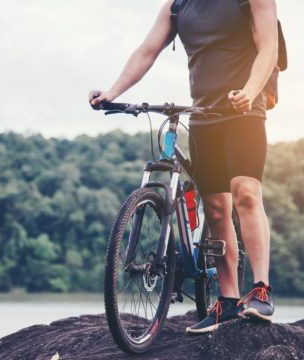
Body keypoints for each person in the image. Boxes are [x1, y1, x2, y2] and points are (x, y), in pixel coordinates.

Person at [89, 0, 278, 334]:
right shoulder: (178, 5)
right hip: (203, 115)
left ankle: (261, 289)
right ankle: (228, 302)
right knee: (216, 209)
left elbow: (268, 50)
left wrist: (250, 91)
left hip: (245, 112)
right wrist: (113, 91)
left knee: (245, 193)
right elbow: (147, 51)